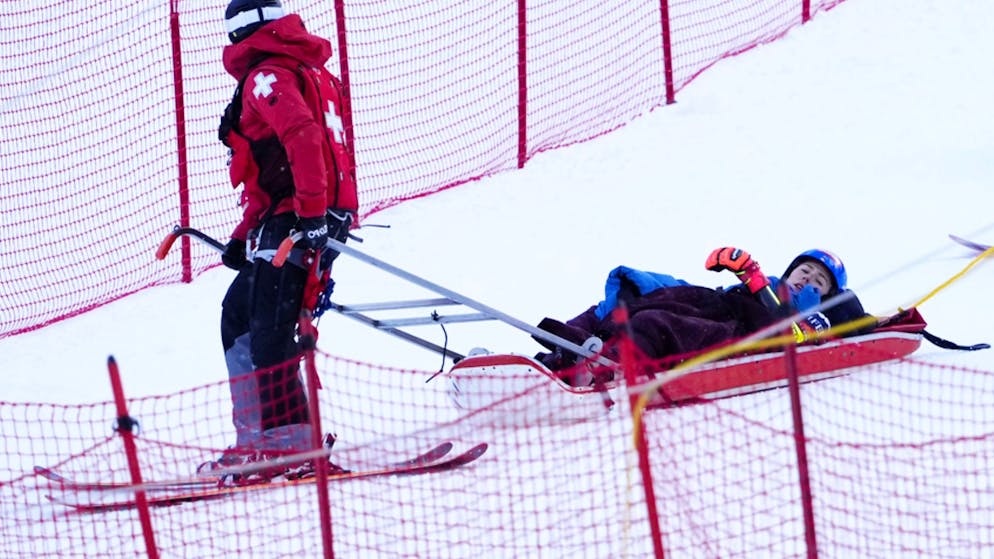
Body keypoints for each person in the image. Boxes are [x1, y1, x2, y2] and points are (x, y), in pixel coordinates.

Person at [204, 0, 358, 483]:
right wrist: (242, 235)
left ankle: (287, 446)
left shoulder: (265, 76)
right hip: (305, 215)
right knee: (239, 313)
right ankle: (263, 438)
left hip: (299, 220)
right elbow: (276, 169)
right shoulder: (310, 72)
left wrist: (311, 214)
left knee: (270, 329)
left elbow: (303, 138)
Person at [533, 247, 874, 379]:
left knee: (654, 323)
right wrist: (651, 283)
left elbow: (785, 335)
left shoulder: (811, 315)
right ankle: (564, 349)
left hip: (740, 331)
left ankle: (609, 369)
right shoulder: (768, 284)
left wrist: (752, 277)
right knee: (633, 297)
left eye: (820, 281)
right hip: (719, 303)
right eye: (805, 270)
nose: (808, 279)